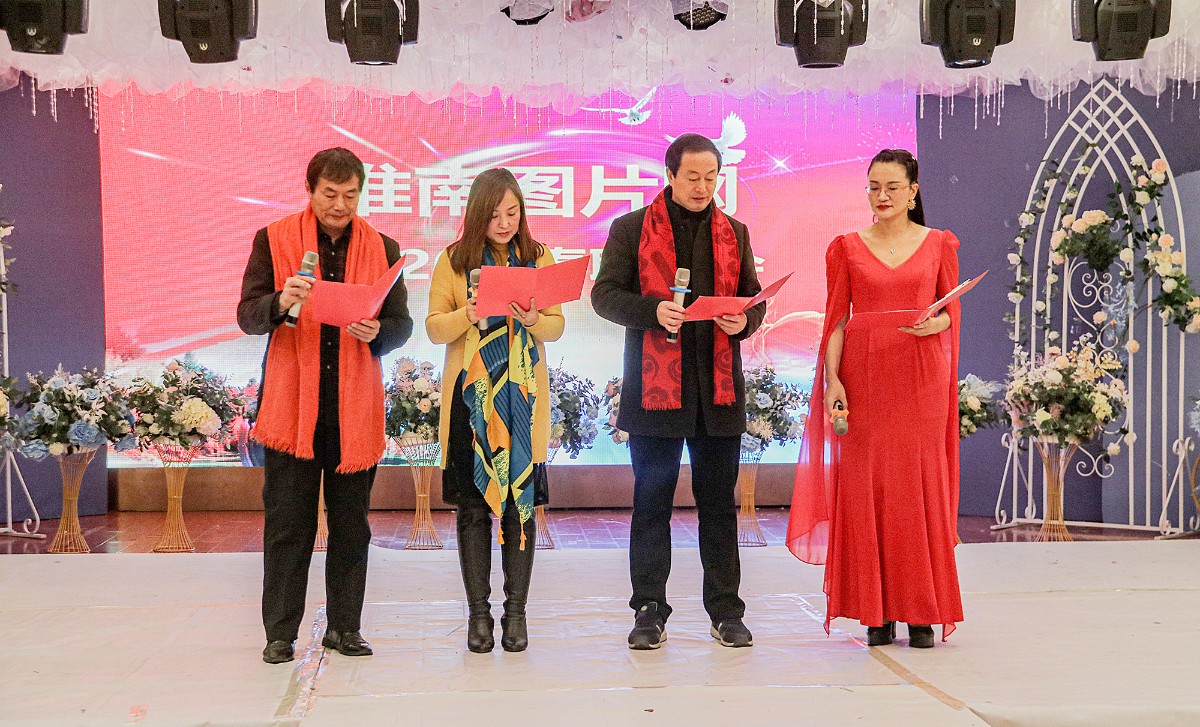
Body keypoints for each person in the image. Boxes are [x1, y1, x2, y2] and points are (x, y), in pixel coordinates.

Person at [238, 147, 413, 664]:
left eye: (350, 195)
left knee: (351, 527)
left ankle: (345, 628)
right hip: (292, 410)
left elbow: (401, 325)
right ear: (310, 191)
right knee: (288, 527)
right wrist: (280, 301)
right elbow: (247, 315)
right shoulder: (273, 240)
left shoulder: (383, 247)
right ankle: (279, 634)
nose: (340, 205)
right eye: (330, 194)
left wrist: (379, 331)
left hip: (352, 411)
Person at [592, 134, 763, 650]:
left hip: (717, 395)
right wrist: (652, 311)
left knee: (719, 506)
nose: (702, 187)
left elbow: (753, 299)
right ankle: (649, 610)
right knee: (651, 503)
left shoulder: (734, 232)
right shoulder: (630, 229)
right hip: (655, 394)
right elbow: (604, 295)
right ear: (669, 176)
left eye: (711, 178)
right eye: (692, 177)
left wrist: (744, 322)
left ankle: (726, 611)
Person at [787, 148, 963, 649]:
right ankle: (875, 610)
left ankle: (921, 610)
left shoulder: (939, 243)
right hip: (863, 378)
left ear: (913, 191)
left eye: (892, 187)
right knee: (866, 486)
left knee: (916, 486)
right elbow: (836, 321)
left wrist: (938, 323)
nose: (881, 196)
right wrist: (832, 379)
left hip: (920, 379)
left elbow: (951, 310)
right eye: (873, 187)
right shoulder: (845, 247)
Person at [426, 168, 564, 654]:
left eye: (513, 213)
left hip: (522, 403)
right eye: (495, 215)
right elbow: (434, 329)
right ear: (476, 215)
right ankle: (478, 615)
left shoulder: (538, 257)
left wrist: (534, 319)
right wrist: (467, 313)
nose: (505, 224)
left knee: (519, 508)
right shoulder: (453, 261)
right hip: (471, 403)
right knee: (472, 510)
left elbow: (556, 327)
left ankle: (516, 614)